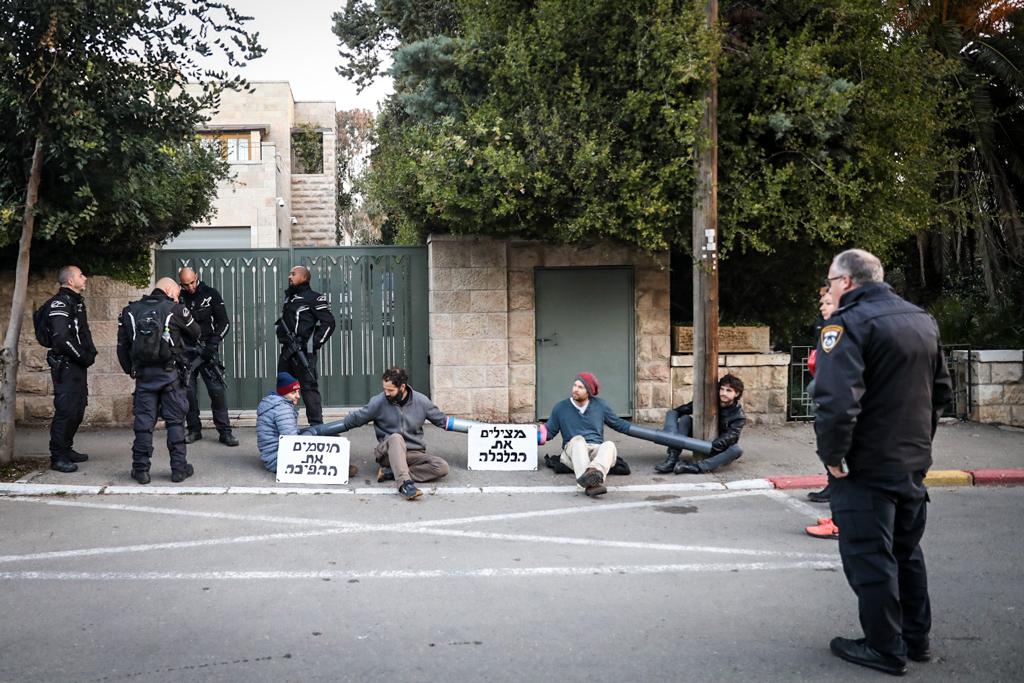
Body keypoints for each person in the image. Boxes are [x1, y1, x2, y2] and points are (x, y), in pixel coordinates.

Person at [813, 249, 952, 676]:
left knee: (870, 559)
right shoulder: (920, 319)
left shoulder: (846, 324)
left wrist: (833, 457)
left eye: (832, 280)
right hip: (911, 460)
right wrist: (918, 445)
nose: (831, 287)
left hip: (866, 465)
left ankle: (884, 648)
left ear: (848, 282)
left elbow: (836, 402)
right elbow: (942, 393)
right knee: (905, 552)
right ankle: (916, 639)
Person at [116, 277, 201, 485]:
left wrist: (132, 371)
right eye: (178, 292)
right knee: (175, 421)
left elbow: (121, 347)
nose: (179, 295)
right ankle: (179, 469)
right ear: (170, 289)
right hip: (171, 376)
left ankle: (141, 470)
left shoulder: (129, 311)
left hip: (144, 377)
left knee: (144, 423)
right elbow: (196, 333)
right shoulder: (176, 309)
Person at [322, 366, 448, 500]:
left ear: (402, 387)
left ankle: (390, 473)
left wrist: (470, 428)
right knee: (396, 437)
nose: (386, 393)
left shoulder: (421, 401)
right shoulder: (378, 402)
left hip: (413, 453)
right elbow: (353, 420)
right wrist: (322, 432)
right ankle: (405, 484)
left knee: (442, 467)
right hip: (387, 453)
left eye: (390, 390)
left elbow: (443, 420)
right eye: (384, 389)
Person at [43, 265, 97, 473]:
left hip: (76, 366)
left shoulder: (75, 301)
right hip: (66, 366)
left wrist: (88, 353)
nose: (85, 278)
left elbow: (80, 331)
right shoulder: (60, 303)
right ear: (71, 281)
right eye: (81, 275)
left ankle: (67, 448)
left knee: (78, 408)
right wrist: (82, 356)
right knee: (66, 411)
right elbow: (61, 338)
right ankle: (58, 457)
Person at [542, 372, 631, 497]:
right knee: (579, 440)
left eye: (580, 387)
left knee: (609, 445)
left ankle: (592, 472)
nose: (575, 390)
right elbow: (549, 432)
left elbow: (618, 424)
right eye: (575, 385)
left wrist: (644, 433)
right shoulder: (560, 407)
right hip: (572, 450)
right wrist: (532, 435)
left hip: (595, 450)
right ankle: (591, 483)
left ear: (588, 391)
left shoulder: (601, 406)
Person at [177, 267, 238, 447]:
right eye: (185, 284)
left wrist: (213, 344)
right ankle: (194, 430)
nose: (190, 287)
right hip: (187, 351)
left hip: (207, 350)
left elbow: (224, 322)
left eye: (192, 282)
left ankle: (225, 432)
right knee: (188, 392)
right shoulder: (179, 298)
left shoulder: (211, 294)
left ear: (197, 277)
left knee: (217, 391)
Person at [276, 265, 335, 426]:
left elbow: (329, 323)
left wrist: (313, 344)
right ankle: (284, 424)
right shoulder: (289, 297)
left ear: (304, 277)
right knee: (284, 388)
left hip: (304, 353)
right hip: (287, 352)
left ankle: (317, 427)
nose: (290, 276)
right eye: (289, 273)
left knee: (309, 389)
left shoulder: (315, 298)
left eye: (293, 274)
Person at [654, 374, 746, 475]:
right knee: (685, 419)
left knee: (737, 450)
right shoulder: (710, 400)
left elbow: (729, 437)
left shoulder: (739, 416)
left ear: (737, 394)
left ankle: (696, 467)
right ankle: (672, 459)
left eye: (729, 390)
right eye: (722, 389)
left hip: (716, 448)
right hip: (700, 437)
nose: (723, 393)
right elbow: (679, 411)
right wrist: (670, 431)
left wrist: (708, 447)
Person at [805, 289, 841, 540]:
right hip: (829, 403)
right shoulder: (827, 328)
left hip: (837, 406)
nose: (822, 306)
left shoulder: (839, 330)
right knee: (832, 459)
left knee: (840, 462)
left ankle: (839, 522)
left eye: (828, 302)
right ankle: (838, 515)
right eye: (821, 302)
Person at [256, 372, 302, 473]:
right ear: (284, 393)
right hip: (279, 460)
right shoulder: (282, 409)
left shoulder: (273, 403)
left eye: (298, 392)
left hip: (271, 456)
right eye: (293, 393)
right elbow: (292, 440)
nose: (298, 396)